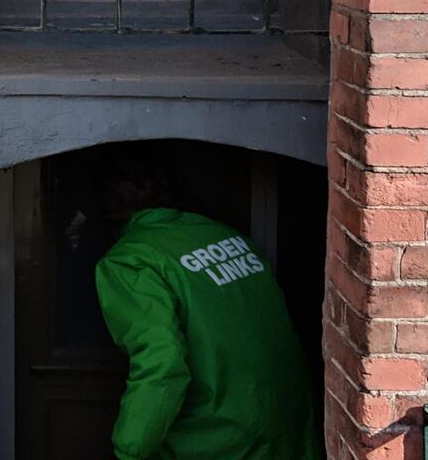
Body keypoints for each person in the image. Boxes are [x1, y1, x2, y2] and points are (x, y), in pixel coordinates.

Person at [94, 149, 322, 460]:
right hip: (285, 429)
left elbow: (161, 362)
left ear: (109, 200)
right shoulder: (229, 237)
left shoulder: (131, 260)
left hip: (215, 440)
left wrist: (130, 450)